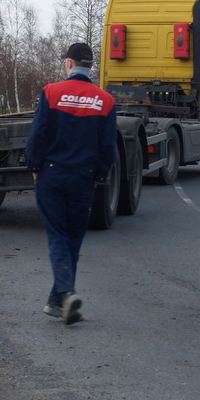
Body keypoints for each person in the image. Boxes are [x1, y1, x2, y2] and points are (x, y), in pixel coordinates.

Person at [26, 42, 117, 324]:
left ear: (68, 63)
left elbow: (38, 134)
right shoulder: (105, 100)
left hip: (52, 175)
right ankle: (57, 302)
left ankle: (65, 292)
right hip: (84, 177)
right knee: (73, 238)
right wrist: (99, 176)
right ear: (90, 66)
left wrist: (34, 167)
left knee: (57, 235)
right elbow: (107, 146)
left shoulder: (51, 93)